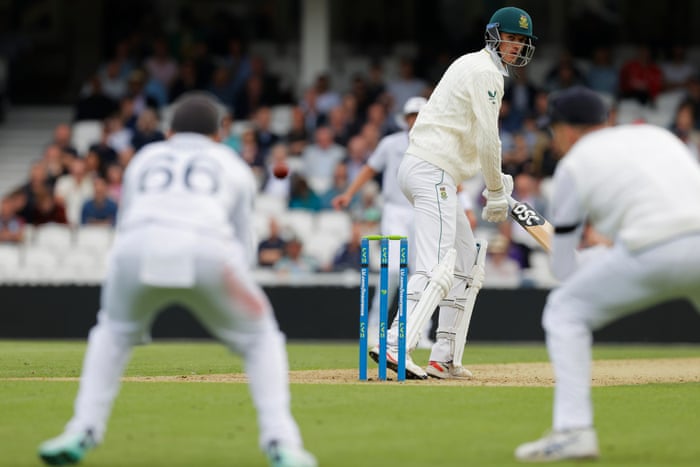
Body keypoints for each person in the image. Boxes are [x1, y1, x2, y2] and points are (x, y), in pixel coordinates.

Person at [37, 92, 317, 467]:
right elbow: (241, 239)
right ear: (218, 134)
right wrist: (237, 288)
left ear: (170, 132)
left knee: (112, 333)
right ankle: (282, 442)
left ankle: (82, 428)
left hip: (135, 248)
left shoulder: (146, 158)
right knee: (261, 337)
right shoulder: (230, 162)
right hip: (208, 250)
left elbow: (127, 222)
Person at [514, 86, 700, 462]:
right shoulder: (655, 135)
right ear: (606, 120)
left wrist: (596, 258)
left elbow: (564, 269)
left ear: (566, 131)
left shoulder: (573, 165)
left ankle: (573, 430)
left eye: (555, 132)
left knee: (564, 311)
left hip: (652, 249)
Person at [370, 6, 537, 380]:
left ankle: (443, 356)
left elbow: (470, 137)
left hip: (430, 169)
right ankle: (394, 345)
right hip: (432, 169)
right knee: (437, 266)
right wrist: (495, 191)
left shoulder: (476, 67)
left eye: (521, 40)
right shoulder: (485, 72)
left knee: (466, 265)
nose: (516, 46)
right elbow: (488, 138)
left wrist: (499, 183)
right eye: (510, 38)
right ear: (495, 36)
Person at [332, 96, 434, 348]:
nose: (416, 120)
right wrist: (348, 193)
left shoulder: (436, 146)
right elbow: (369, 169)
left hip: (422, 212)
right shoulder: (390, 144)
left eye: (420, 116)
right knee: (390, 271)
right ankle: (376, 330)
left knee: (421, 273)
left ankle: (417, 332)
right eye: (412, 116)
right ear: (406, 119)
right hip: (395, 211)